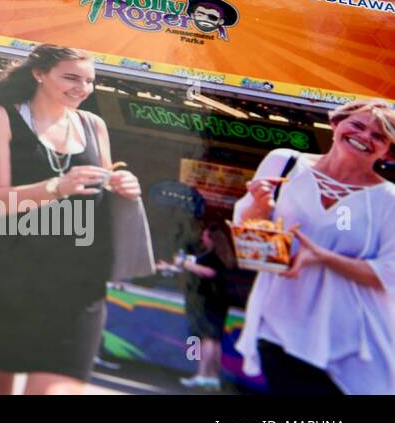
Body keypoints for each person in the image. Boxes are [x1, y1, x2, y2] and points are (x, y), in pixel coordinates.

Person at [0, 43, 142, 394]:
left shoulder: (94, 126)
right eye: (71, 77)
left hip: (76, 283)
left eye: (90, 80)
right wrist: (56, 187)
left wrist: (124, 186)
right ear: (39, 74)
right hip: (2, 275)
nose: (83, 87)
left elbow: (99, 192)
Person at [232, 100, 395, 395]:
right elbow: (250, 243)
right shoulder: (284, 163)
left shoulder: (389, 199)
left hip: (356, 345)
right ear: (336, 124)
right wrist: (258, 207)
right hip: (280, 325)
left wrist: (321, 257)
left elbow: (390, 273)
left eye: (379, 136)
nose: (363, 136)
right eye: (357, 125)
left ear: (389, 151)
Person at [162, 224, 234, 391]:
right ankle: (212, 377)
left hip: (209, 300)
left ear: (212, 239)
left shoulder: (214, 256)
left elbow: (209, 273)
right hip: (217, 301)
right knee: (214, 340)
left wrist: (186, 264)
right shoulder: (222, 255)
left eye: (205, 235)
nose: (202, 238)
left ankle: (202, 375)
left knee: (207, 338)